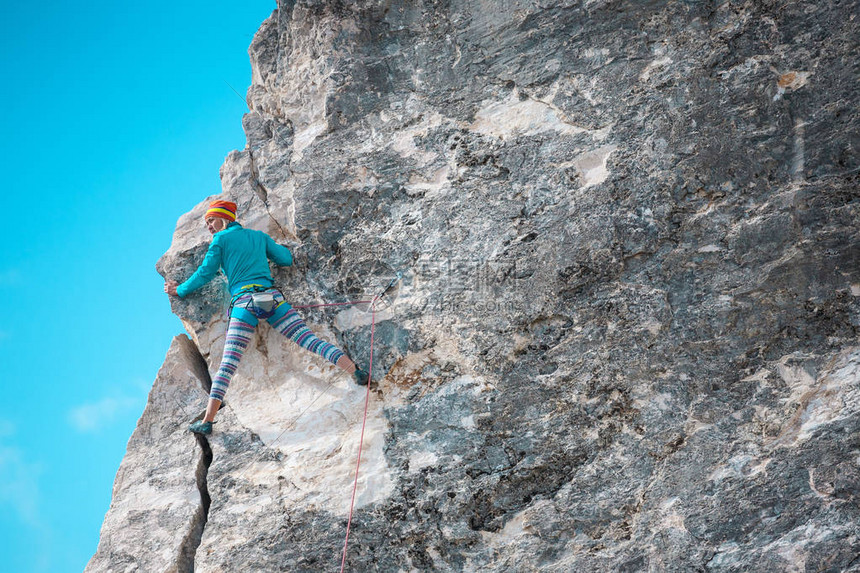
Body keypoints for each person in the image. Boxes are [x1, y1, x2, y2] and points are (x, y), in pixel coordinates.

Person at [164, 200, 369, 436]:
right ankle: (356, 372)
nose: (209, 226)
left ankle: (208, 421)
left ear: (225, 219)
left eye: (211, 220)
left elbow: (205, 273)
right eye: (207, 222)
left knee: (228, 364)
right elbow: (286, 259)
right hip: (272, 299)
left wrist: (179, 290)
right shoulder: (258, 237)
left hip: (244, 304)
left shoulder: (220, 240)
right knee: (309, 340)